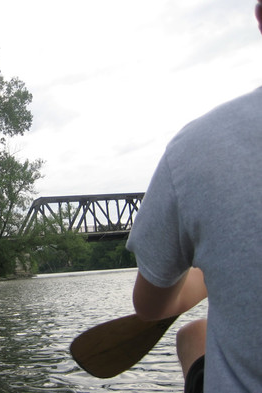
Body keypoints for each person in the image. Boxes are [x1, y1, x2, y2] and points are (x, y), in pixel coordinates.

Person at [126, 1, 262, 392]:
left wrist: (204, 276)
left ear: (260, 17)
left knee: (193, 336)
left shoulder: (195, 150)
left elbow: (149, 307)